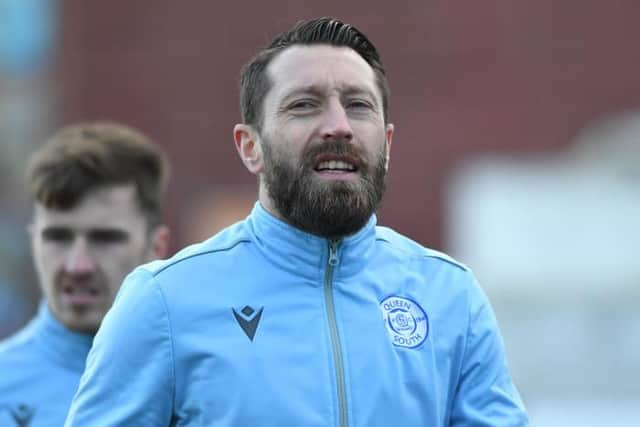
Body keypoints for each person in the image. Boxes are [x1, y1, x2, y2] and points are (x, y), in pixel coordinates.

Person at [65, 18, 529, 426]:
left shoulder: (450, 297)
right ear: (251, 147)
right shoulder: (163, 301)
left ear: (386, 143)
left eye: (358, 105)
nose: (338, 126)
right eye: (304, 105)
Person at [0, 121, 170, 427]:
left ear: (156, 247)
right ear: (33, 241)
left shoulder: (201, 382)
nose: (78, 265)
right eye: (57, 237)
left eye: (105, 239)